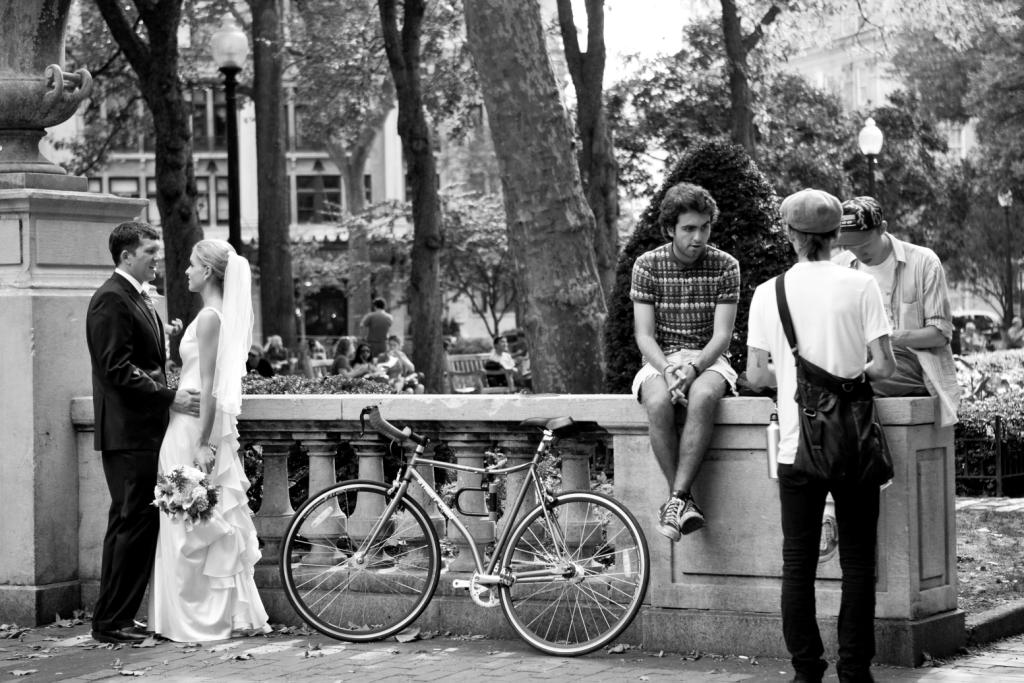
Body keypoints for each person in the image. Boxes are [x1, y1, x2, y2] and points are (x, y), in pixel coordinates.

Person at [745, 189, 895, 683]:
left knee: (798, 563)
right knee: (857, 563)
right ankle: (855, 670)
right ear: (834, 236)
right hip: (853, 443)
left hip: (796, 445)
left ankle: (806, 671)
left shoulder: (770, 292)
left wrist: (795, 375)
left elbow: (757, 375)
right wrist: (850, 372)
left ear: (791, 234)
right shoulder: (860, 286)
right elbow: (886, 367)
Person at [148, 239, 271, 642]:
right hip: (183, 423)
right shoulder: (207, 317)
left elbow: (209, 386)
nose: (186, 271)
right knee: (187, 517)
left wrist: (202, 440)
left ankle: (195, 618)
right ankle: (191, 614)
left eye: (191, 264)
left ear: (209, 272)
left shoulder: (209, 319)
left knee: (188, 521)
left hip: (190, 430)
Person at [85, 221, 201, 645]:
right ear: (127, 255)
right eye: (150, 251)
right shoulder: (109, 300)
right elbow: (115, 369)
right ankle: (110, 621)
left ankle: (117, 617)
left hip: (143, 432)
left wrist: (164, 340)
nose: (158, 258)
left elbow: (140, 359)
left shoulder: (135, 298)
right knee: (130, 525)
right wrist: (169, 397)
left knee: (136, 524)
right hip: (128, 434)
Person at [630, 182, 740, 541]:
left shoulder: (726, 266)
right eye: (689, 228)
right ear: (669, 230)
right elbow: (644, 335)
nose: (698, 236)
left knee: (704, 397)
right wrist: (667, 369)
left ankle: (676, 499)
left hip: (709, 359)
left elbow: (722, 336)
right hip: (662, 359)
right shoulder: (646, 266)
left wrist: (693, 369)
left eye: (704, 227)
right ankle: (685, 501)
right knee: (659, 401)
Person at [833, 196, 960, 427]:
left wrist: (887, 337)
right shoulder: (840, 266)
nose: (858, 253)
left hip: (910, 360)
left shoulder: (923, 262)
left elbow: (940, 334)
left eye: (864, 244)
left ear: (883, 228)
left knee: (845, 386)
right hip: (857, 360)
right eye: (849, 246)